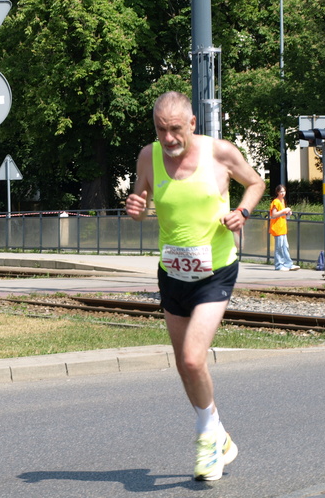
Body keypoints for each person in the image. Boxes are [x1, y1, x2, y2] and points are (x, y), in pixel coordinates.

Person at [125, 91, 265, 482]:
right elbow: (142, 200)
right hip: (171, 272)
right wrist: (135, 208)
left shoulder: (220, 153)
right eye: (160, 130)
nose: (168, 139)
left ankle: (206, 440)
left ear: (191, 125)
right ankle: (219, 435)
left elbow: (255, 183)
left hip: (215, 270)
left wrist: (242, 212)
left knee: (191, 358)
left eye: (174, 130)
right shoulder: (147, 156)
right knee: (186, 366)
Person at [269, 184, 300, 271]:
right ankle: (279, 265)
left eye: (284, 191)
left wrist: (287, 213)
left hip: (282, 227)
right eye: (281, 191)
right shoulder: (276, 202)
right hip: (277, 227)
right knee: (279, 247)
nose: (283, 193)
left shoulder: (282, 201)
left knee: (285, 246)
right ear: (277, 192)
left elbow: (282, 214)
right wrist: (284, 210)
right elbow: (274, 215)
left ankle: (288, 264)